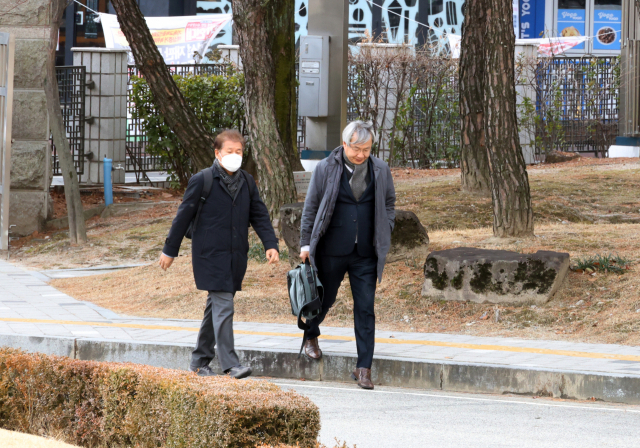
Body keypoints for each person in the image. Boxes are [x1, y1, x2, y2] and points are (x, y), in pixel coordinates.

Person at [159, 130, 279, 379]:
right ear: (217, 153)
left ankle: (199, 361)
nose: (235, 156)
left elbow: (259, 214)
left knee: (215, 307)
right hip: (209, 256)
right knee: (224, 305)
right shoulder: (202, 180)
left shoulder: (247, 181)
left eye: (239, 152)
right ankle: (230, 364)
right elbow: (183, 217)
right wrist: (170, 250)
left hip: (236, 256)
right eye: (229, 151)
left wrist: (271, 243)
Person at [299, 120, 396, 390]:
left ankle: (363, 367)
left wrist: (387, 225)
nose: (361, 154)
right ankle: (310, 334)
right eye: (357, 148)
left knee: (365, 309)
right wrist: (306, 243)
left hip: (366, 251)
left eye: (366, 149)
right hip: (332, 248)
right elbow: (312, 206)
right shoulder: (326, 168)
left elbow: (389, 202)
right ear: (344, 144)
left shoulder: (380, 169)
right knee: (324, 300)